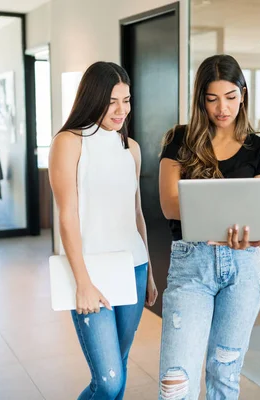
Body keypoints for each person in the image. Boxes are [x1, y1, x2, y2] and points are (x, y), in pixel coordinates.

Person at [158, 54, 260, 399]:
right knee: (175, 380)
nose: (222, 108)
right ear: (201, 100)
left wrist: (252, 230)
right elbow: (169, 204)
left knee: (225, 373)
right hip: (190, 264)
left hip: (243, 266)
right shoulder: (179, 140)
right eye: (212, 99)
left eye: (230, 97)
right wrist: (232, 216)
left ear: (243, 93)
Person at [48, 61, 158, 400]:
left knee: (120, 367)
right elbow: (67, 215)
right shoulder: (69, 142)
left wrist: (150, 273)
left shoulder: (131, 148)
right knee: (108, 379)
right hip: (90, 271)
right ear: (93, 98)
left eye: (126, 100)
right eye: (112, 101)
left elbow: (136, 214)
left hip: (134, 268)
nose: (121, 109)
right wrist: (82, 282)